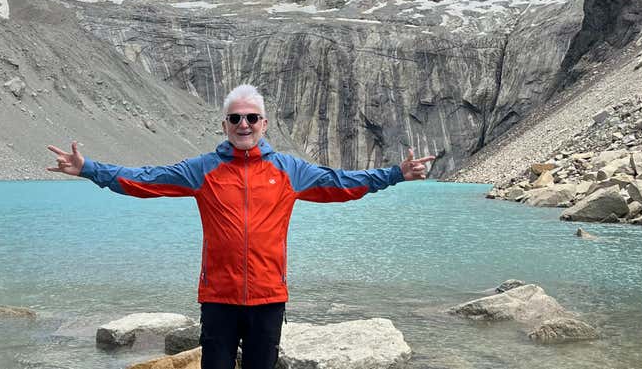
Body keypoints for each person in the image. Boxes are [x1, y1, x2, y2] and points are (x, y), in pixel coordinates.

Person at [47, 84, 434, 369]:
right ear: (225, 124)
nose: (243, 124)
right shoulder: (201, 170)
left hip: (268, 297)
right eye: (236, 118)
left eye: (251, 117)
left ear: (263, 123)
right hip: (218, 297)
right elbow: (145, 179)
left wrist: (396, 174)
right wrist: (88, 169)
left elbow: (343, 184)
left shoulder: (290, 170)